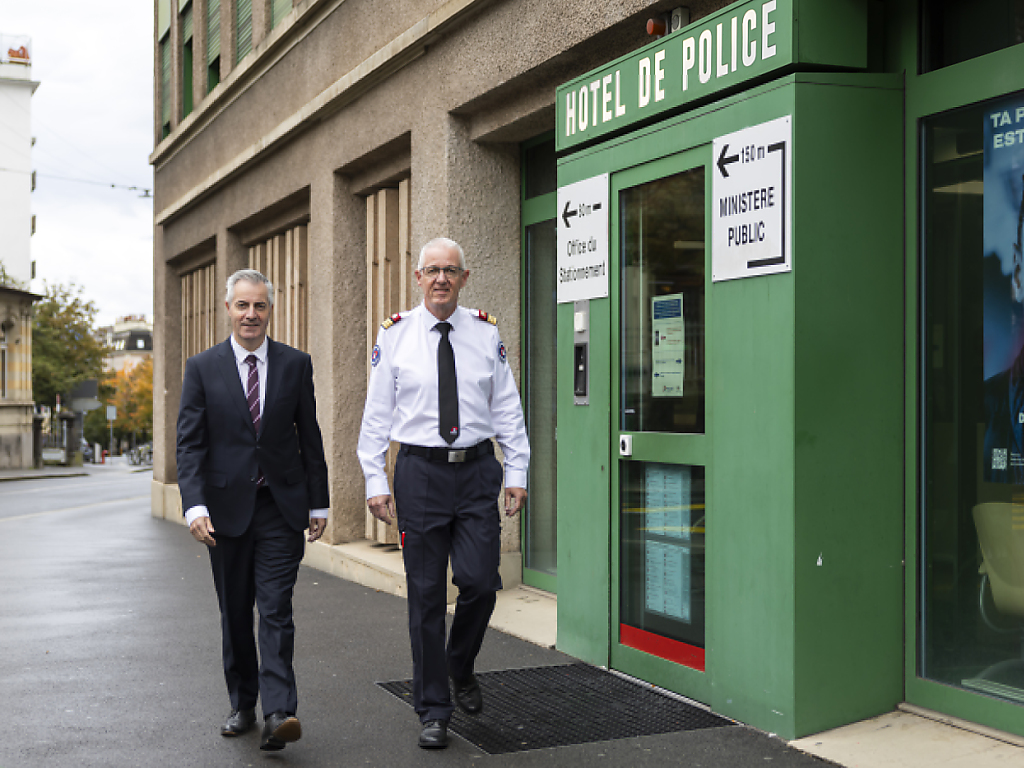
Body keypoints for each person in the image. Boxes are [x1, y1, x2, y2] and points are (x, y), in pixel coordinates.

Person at [357, 237, 530, 749]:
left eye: (450, 271)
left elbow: (507, 408)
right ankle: (433, 709)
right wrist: (374, 480)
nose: (441, 279)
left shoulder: (485, 333)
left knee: (481, 583)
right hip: (420, 475)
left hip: (476, 472)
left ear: (464, 278)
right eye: (432, 270)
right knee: (426, 596)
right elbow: (376, 415)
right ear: (418, 278)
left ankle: (459, 664)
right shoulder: (394, 336)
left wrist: (517, 471)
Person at [176, 269, 329, 752]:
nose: (251, 314)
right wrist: (194, 504)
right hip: (225, 513)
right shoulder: (202, 368)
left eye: (259, 305)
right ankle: (243, 702)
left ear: (269, 310)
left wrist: (319, 501)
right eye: (242, 305)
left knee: (276, 608)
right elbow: (190, 444)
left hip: (280, 508)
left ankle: (279, 712)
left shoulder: (295, 364)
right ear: (228, 309)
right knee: (237, 612)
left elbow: (310, 435)